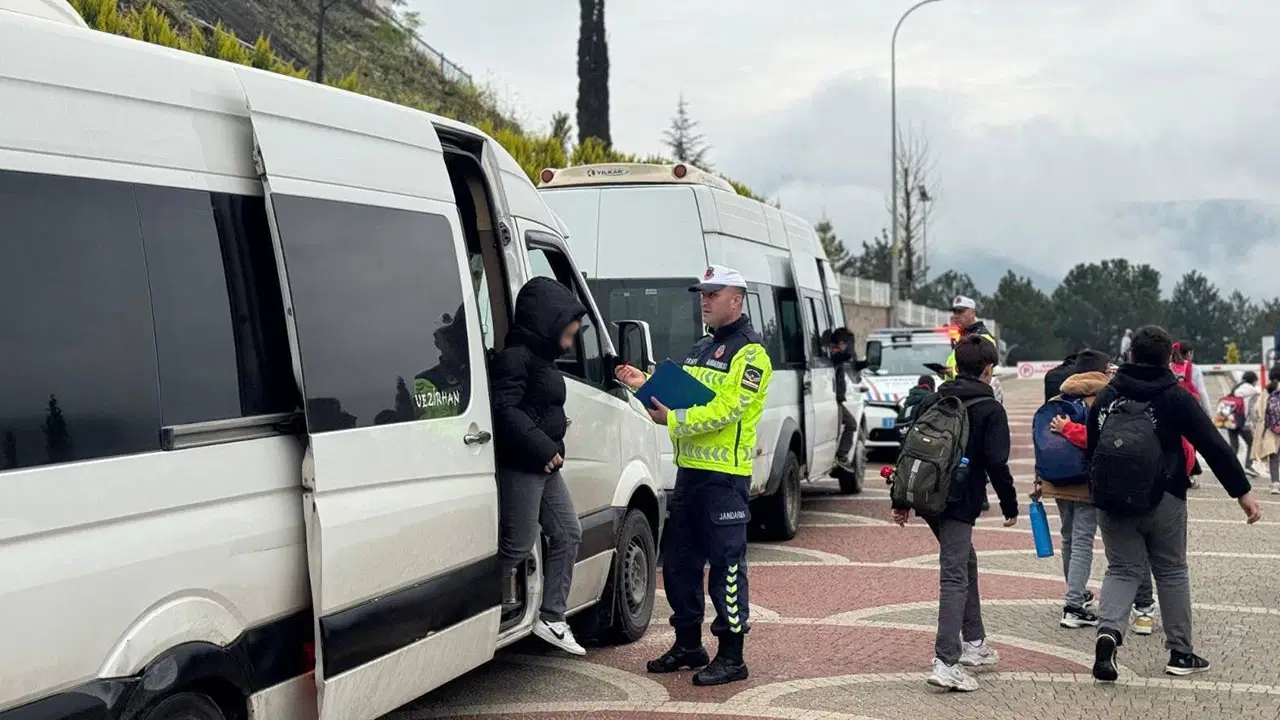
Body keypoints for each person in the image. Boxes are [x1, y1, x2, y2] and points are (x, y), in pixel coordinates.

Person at [615, 264, 773, 687]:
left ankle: (732, 655)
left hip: (725, 480)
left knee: (727, 568)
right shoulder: (700, 348)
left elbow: (728, 409)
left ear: (736, 299)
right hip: (690, 475)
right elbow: (683, 396)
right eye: (701, 294)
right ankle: (688, 645)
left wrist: (675, 419)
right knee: (681, 564)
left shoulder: (751, 354)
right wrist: (643, 383)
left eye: (712, 294)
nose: (703, 300)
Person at [1089, 325, 1262, 682]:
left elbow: (1094, 447)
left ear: (1131, 355)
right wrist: (1241, 492)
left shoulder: (1108, 396)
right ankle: (1180, 653)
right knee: (1170, 570)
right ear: (1170, 358)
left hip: (1111, 499)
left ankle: (1108, 634)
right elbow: (1212, 443)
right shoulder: (1175, 397)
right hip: (1164, 497)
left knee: (1121, 569)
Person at [891, 335, 1019, 692]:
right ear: (989, 369)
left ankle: (975, 643)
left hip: (929, 498)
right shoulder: (990, 408)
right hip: (959, 502)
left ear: (956, 365)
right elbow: (997, 462)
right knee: (954, 575)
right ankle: (947, 660)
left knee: (966, 563)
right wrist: (1010, 506)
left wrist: (901, 500)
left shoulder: (935, 398)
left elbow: (911, 452)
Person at [489, 276, 589, 656]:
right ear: (549, 321)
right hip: (524, 465)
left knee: (569, 533)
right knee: (515, 546)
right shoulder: (515, 358)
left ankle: (552, 617)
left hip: (546, 465)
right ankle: (481, 612)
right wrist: (542, 446)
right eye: (569, 331)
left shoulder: (543, 358)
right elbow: (504, 409)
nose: (571, 339)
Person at [1035, 350, 1157, 631]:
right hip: (1088, 480)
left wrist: (1038, 479)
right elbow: (1104, 439)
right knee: (1083, 541)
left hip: (1056, 479)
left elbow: (1041, 441)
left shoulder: (1058, 399)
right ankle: (1074, 605)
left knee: (1068, 538)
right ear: (1103, 371)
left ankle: (1075, 594)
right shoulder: (1104, 401)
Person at [828, 326, 859, 469]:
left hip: (834, 399)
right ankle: (841, 456)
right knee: (851, 424)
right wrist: (851, 340)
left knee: (849, 424)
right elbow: (848, 355)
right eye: (846, 343)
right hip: (834, 400)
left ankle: (840, 455)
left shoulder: (833, 353)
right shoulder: (835, 354)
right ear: (841, 342)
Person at [1220, 371, 1261, 476]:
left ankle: (1230, 468)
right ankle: (1248, 466)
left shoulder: (1237, 388)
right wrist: (1255, 422)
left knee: (1234, 446)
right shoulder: (1253, 391)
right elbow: (1251, 409)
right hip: (1242, 421)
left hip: (1231, 420)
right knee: (1251, 443)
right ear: (1253, 380)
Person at [1256, 380, 1280, 494]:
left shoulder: (1271, 397)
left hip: (1273, 430)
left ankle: (1275, 483)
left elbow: (1266, 415)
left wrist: (1265, 431)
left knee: (1274, 457)